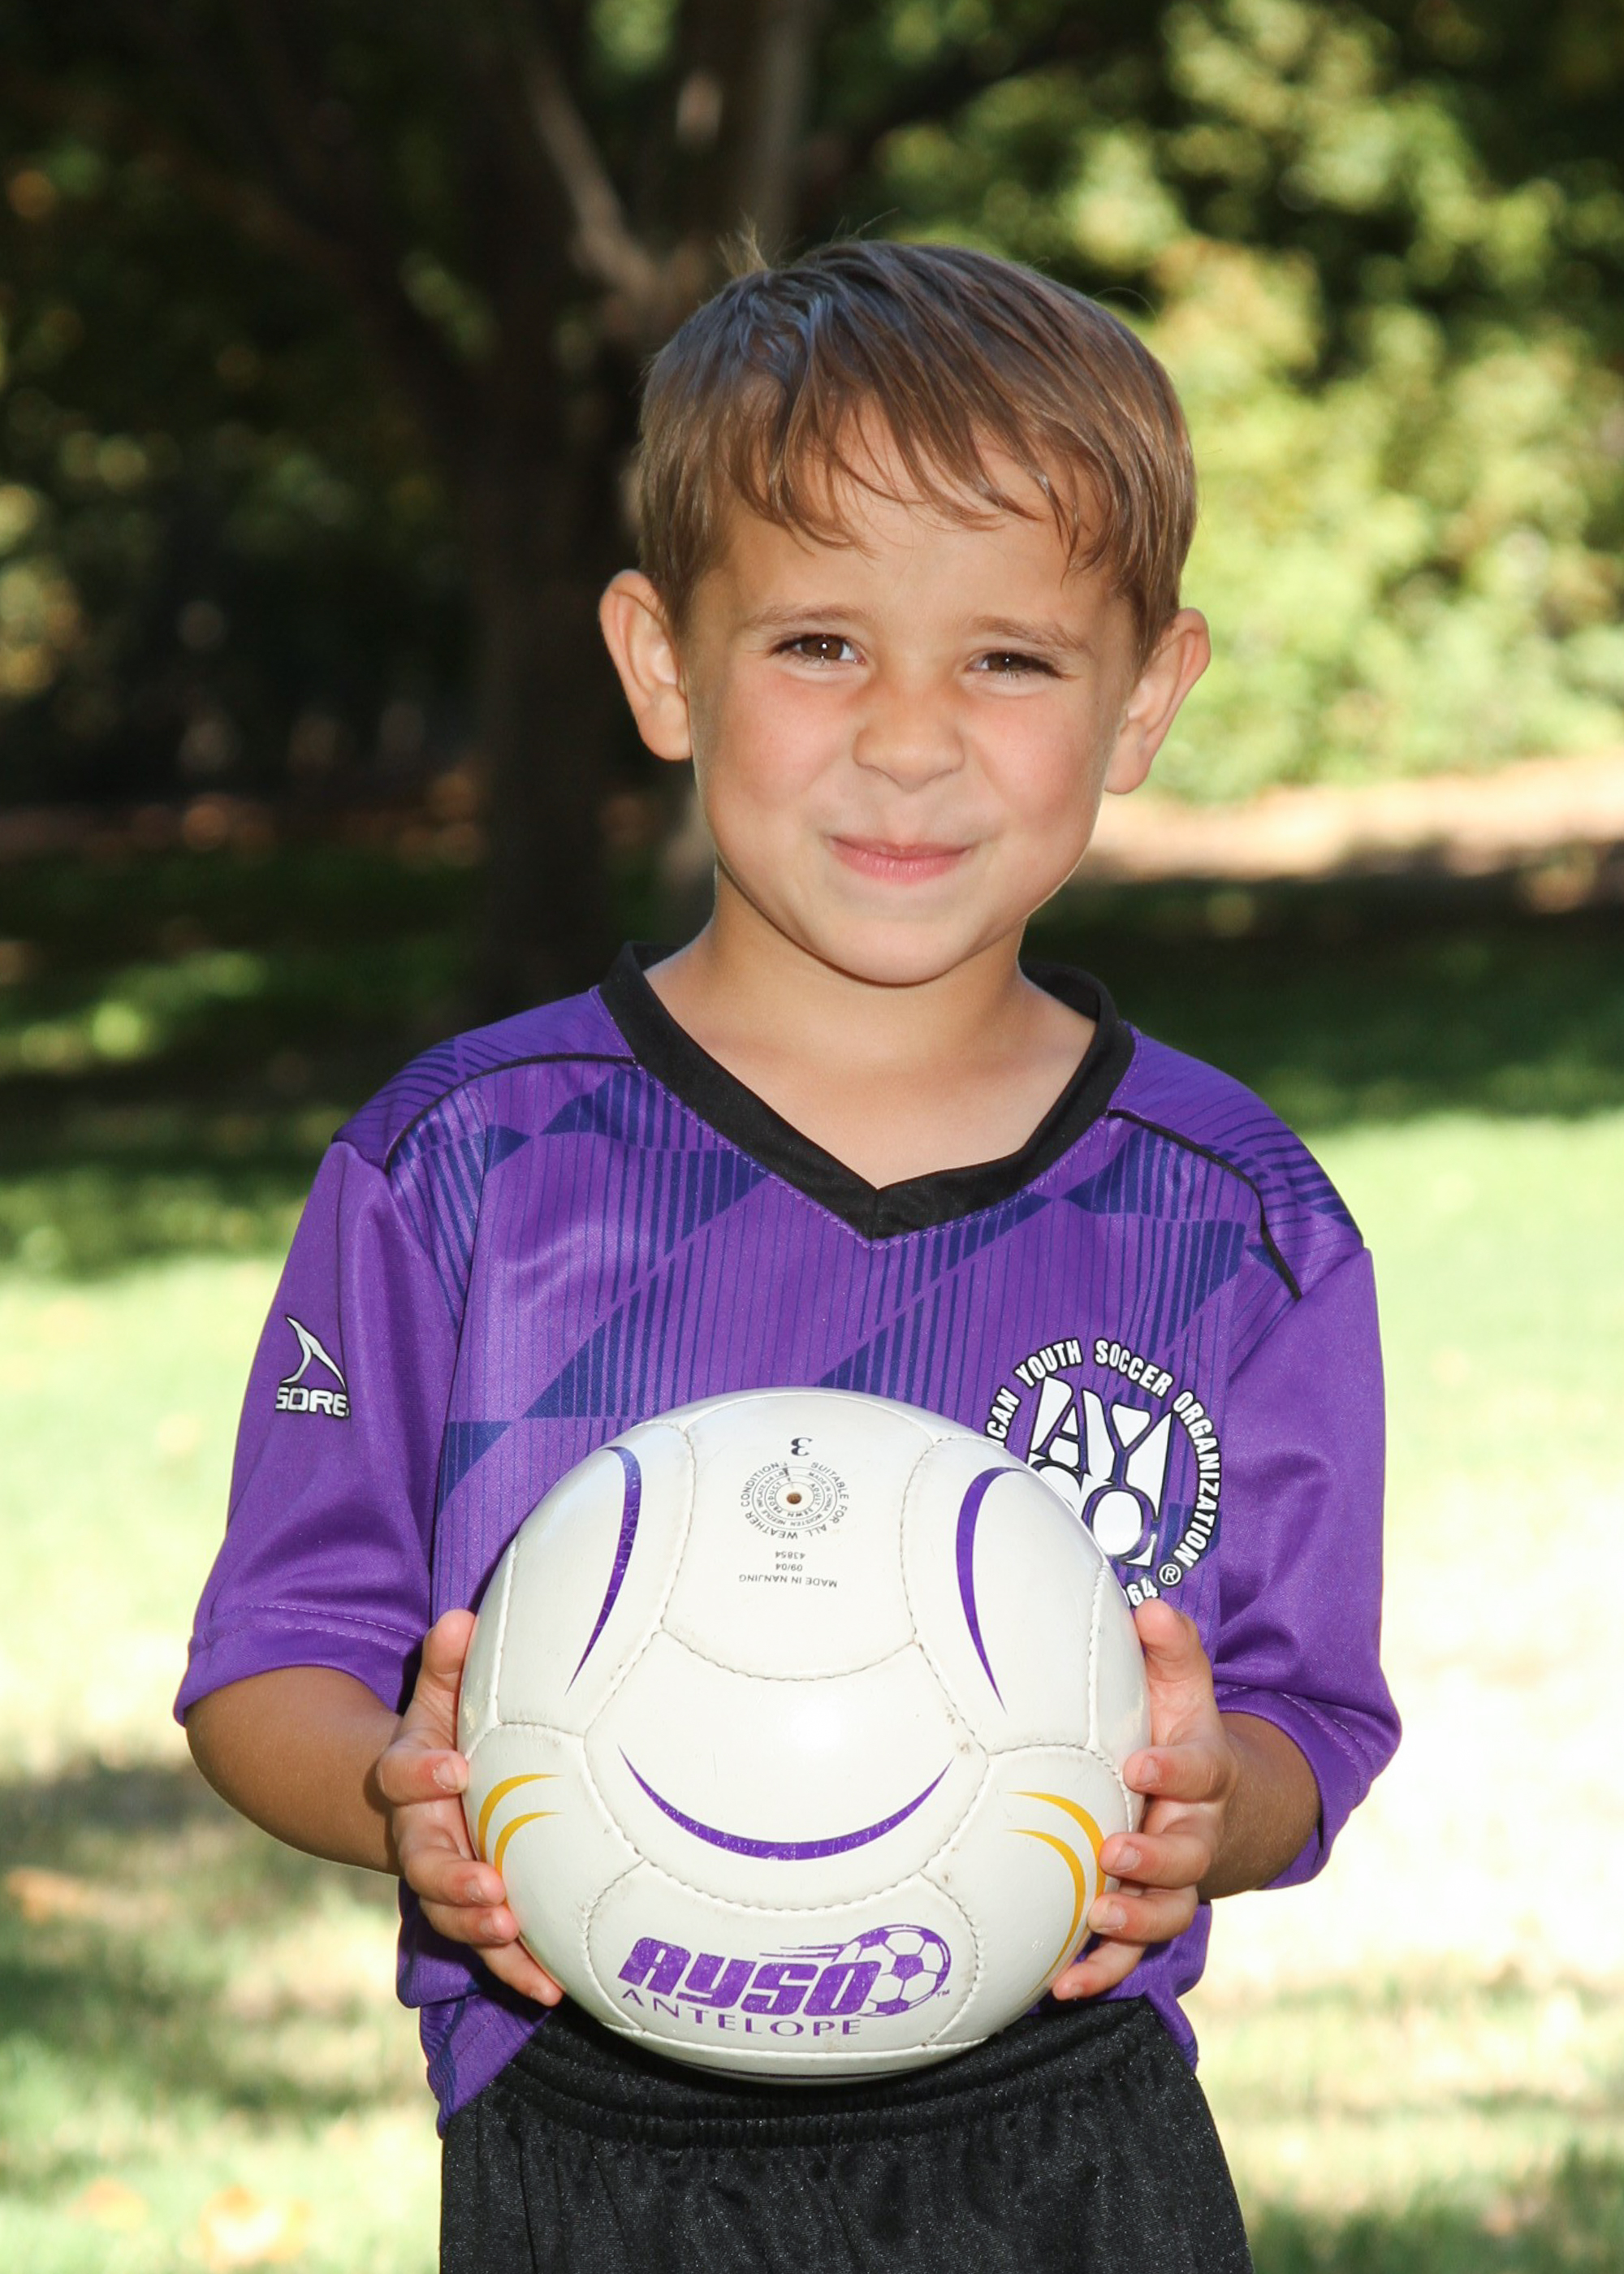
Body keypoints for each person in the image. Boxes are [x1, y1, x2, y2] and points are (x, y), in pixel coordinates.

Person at [179, 240, 1398, 2272]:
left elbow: (1303, 1718)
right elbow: (266, 1662)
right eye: (820, 642)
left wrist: (1218, 1805)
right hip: (589, 2147)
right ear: (663, 663)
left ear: (1143, 698)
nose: (908, 740)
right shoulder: (462, 1165)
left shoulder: (1235, 1217)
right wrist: (403, 1792)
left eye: (1008, 660)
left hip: (1066, 2146)